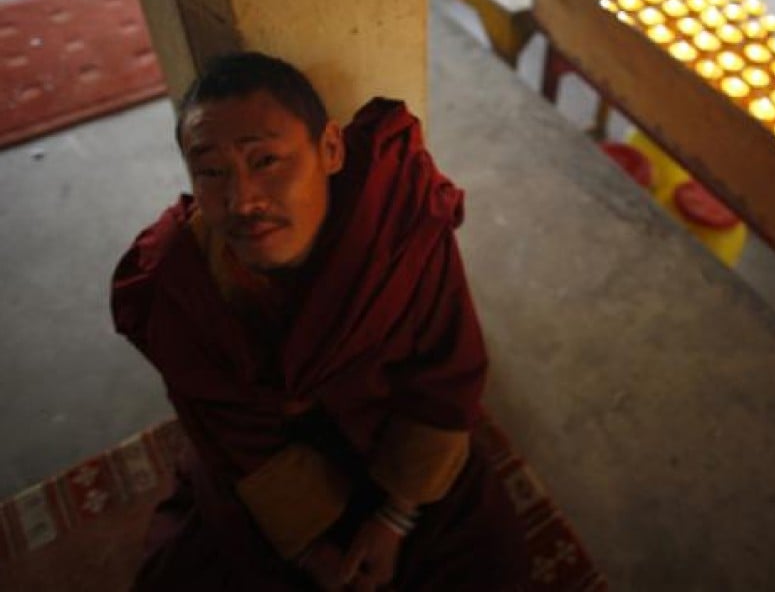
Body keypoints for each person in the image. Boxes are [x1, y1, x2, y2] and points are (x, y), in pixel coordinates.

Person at [111, 52, 530, 590]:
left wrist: (394, 520)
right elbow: (228, 428)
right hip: (275, 464)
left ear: (330, 149)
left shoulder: (397, 217)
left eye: (265, 162)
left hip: (392, 435)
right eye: (211, 172)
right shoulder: (181, 276)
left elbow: (445, 372)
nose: (243, 201)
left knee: (490, 567)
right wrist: (313, 551)